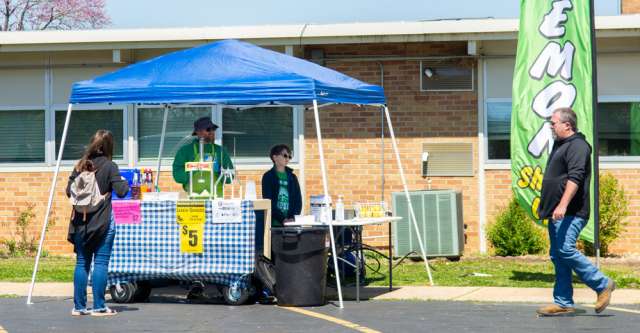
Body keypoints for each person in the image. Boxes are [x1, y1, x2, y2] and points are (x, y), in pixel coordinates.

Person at [536, 107, 615, 316]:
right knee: (558, 255)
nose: (551, 127)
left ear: (567, 125)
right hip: (557, 212)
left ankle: (602, 283)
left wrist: (562, 204)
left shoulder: (578, 145)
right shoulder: (561, 144)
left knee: (565, 249)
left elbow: (575, 177)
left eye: (554, 123)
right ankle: (563, 302)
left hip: (571, 211)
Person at [66, 130, 129, 316]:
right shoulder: (110, 166)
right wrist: (122, 181)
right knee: (100, 262)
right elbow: (122, 191)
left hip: (80, 222)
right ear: (109, 147)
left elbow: (68, 191)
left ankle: (79, 307)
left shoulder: (80, 165)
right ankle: (100, 306)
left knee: (82, 263)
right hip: (102, 221)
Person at [172, 116, 234, 197]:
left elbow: (230, 178)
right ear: (198, 132)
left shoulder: (220, 151)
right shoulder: (185, 151)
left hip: (216, 200)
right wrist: (194, 168)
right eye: (208, 129)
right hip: (193, 199)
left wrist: (219, 171)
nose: (212, 132)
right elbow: (177, 176)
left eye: (213, 129)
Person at [262, 144, 302, 227]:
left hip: (291, 223)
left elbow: (298, 200)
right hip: (274, 223)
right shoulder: (268, 176)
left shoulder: (293, 177)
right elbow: (268, 201)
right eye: (285, 155)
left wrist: (293, 218)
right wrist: (282, 219)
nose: (287, 158)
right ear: (275, 157)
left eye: (289, 156)